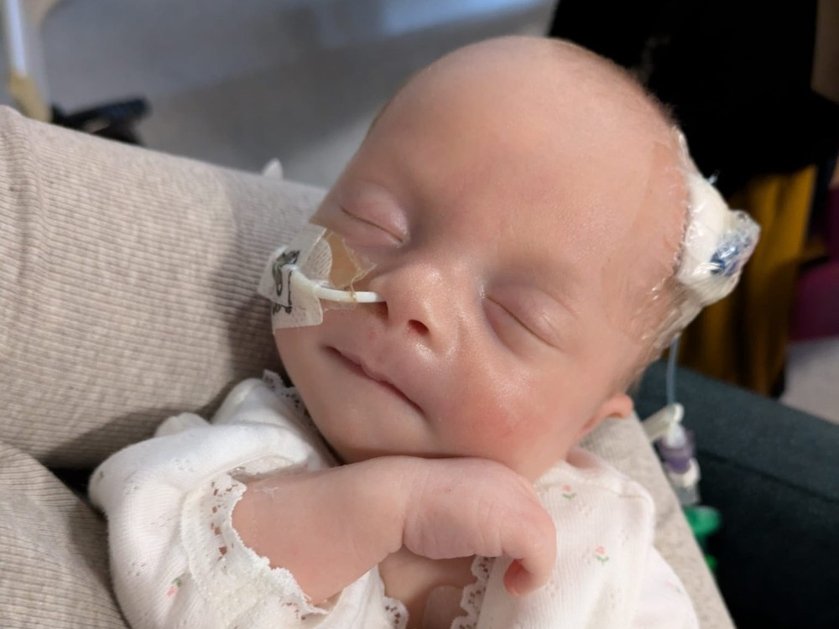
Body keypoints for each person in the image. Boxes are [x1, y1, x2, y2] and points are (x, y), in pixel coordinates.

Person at [89, 36, 755, 628]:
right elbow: (174, 576)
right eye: (376, 224)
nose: (411, 291)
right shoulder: (248, 461)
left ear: (586, 422)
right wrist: (391, 508)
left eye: (515, 316)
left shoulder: (601, 532)